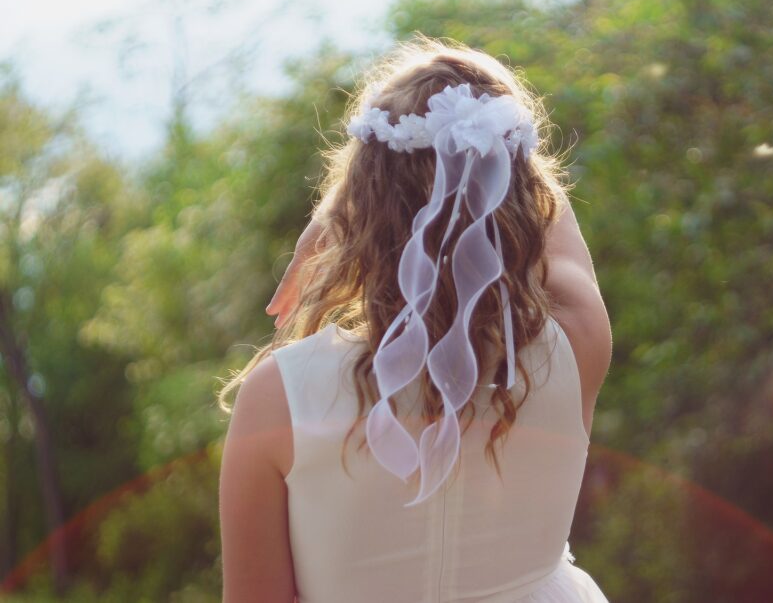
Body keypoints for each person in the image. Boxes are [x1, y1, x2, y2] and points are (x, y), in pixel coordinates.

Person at [218, 35, 613, 602]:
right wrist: (482, 141)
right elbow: (554, 219)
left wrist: (347, 198)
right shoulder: (574, 345)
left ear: (365, 210)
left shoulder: (278, 397)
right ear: (518, 191)